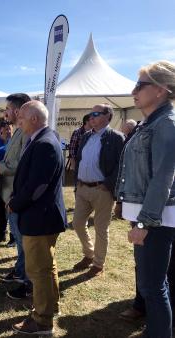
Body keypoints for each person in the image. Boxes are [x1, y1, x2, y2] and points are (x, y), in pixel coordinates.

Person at [116, 60, 175, 338]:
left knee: (153, 286)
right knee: (154, 284)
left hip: (156, 219)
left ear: (161, 90)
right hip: (150, 216)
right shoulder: (150, 123)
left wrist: (144, 224)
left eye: (141, 84)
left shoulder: (165, 124)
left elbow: (162, 178)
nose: (133, 90)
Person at [9, 100, 66, 336]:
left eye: (21, 118)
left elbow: (37, 187)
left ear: (33, 119)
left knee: (39, 270)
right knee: (47, 266)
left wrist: (15, 203)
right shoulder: (44, 139)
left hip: (39, 218)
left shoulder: (44, 143)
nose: (17, 121)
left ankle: (42, 321)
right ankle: (50, 307)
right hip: (42, 216)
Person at [72, 104, 125, 277]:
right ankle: (89, 254)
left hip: (102, 190)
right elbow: (79, 160)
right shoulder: (86, 136)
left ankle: (98, 263)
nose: (91, 117)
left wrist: (108, 183)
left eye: (95, 114)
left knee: (101, 228)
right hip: (83, 188)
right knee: (77, 223)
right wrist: (77, 183)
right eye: (90, 113)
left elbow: (121, 164)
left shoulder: (116, 137)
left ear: (107, 116)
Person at [0, 93, 33, 299]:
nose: (4, 112)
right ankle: (20, 271)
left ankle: (27, 279)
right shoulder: (18, 131)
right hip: (10, 194)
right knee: (19, 239)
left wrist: (1, 167)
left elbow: (23, 164)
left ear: (17, 111)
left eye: (7, 108)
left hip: (17, 195)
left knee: (23, 239)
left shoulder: (26, 133)